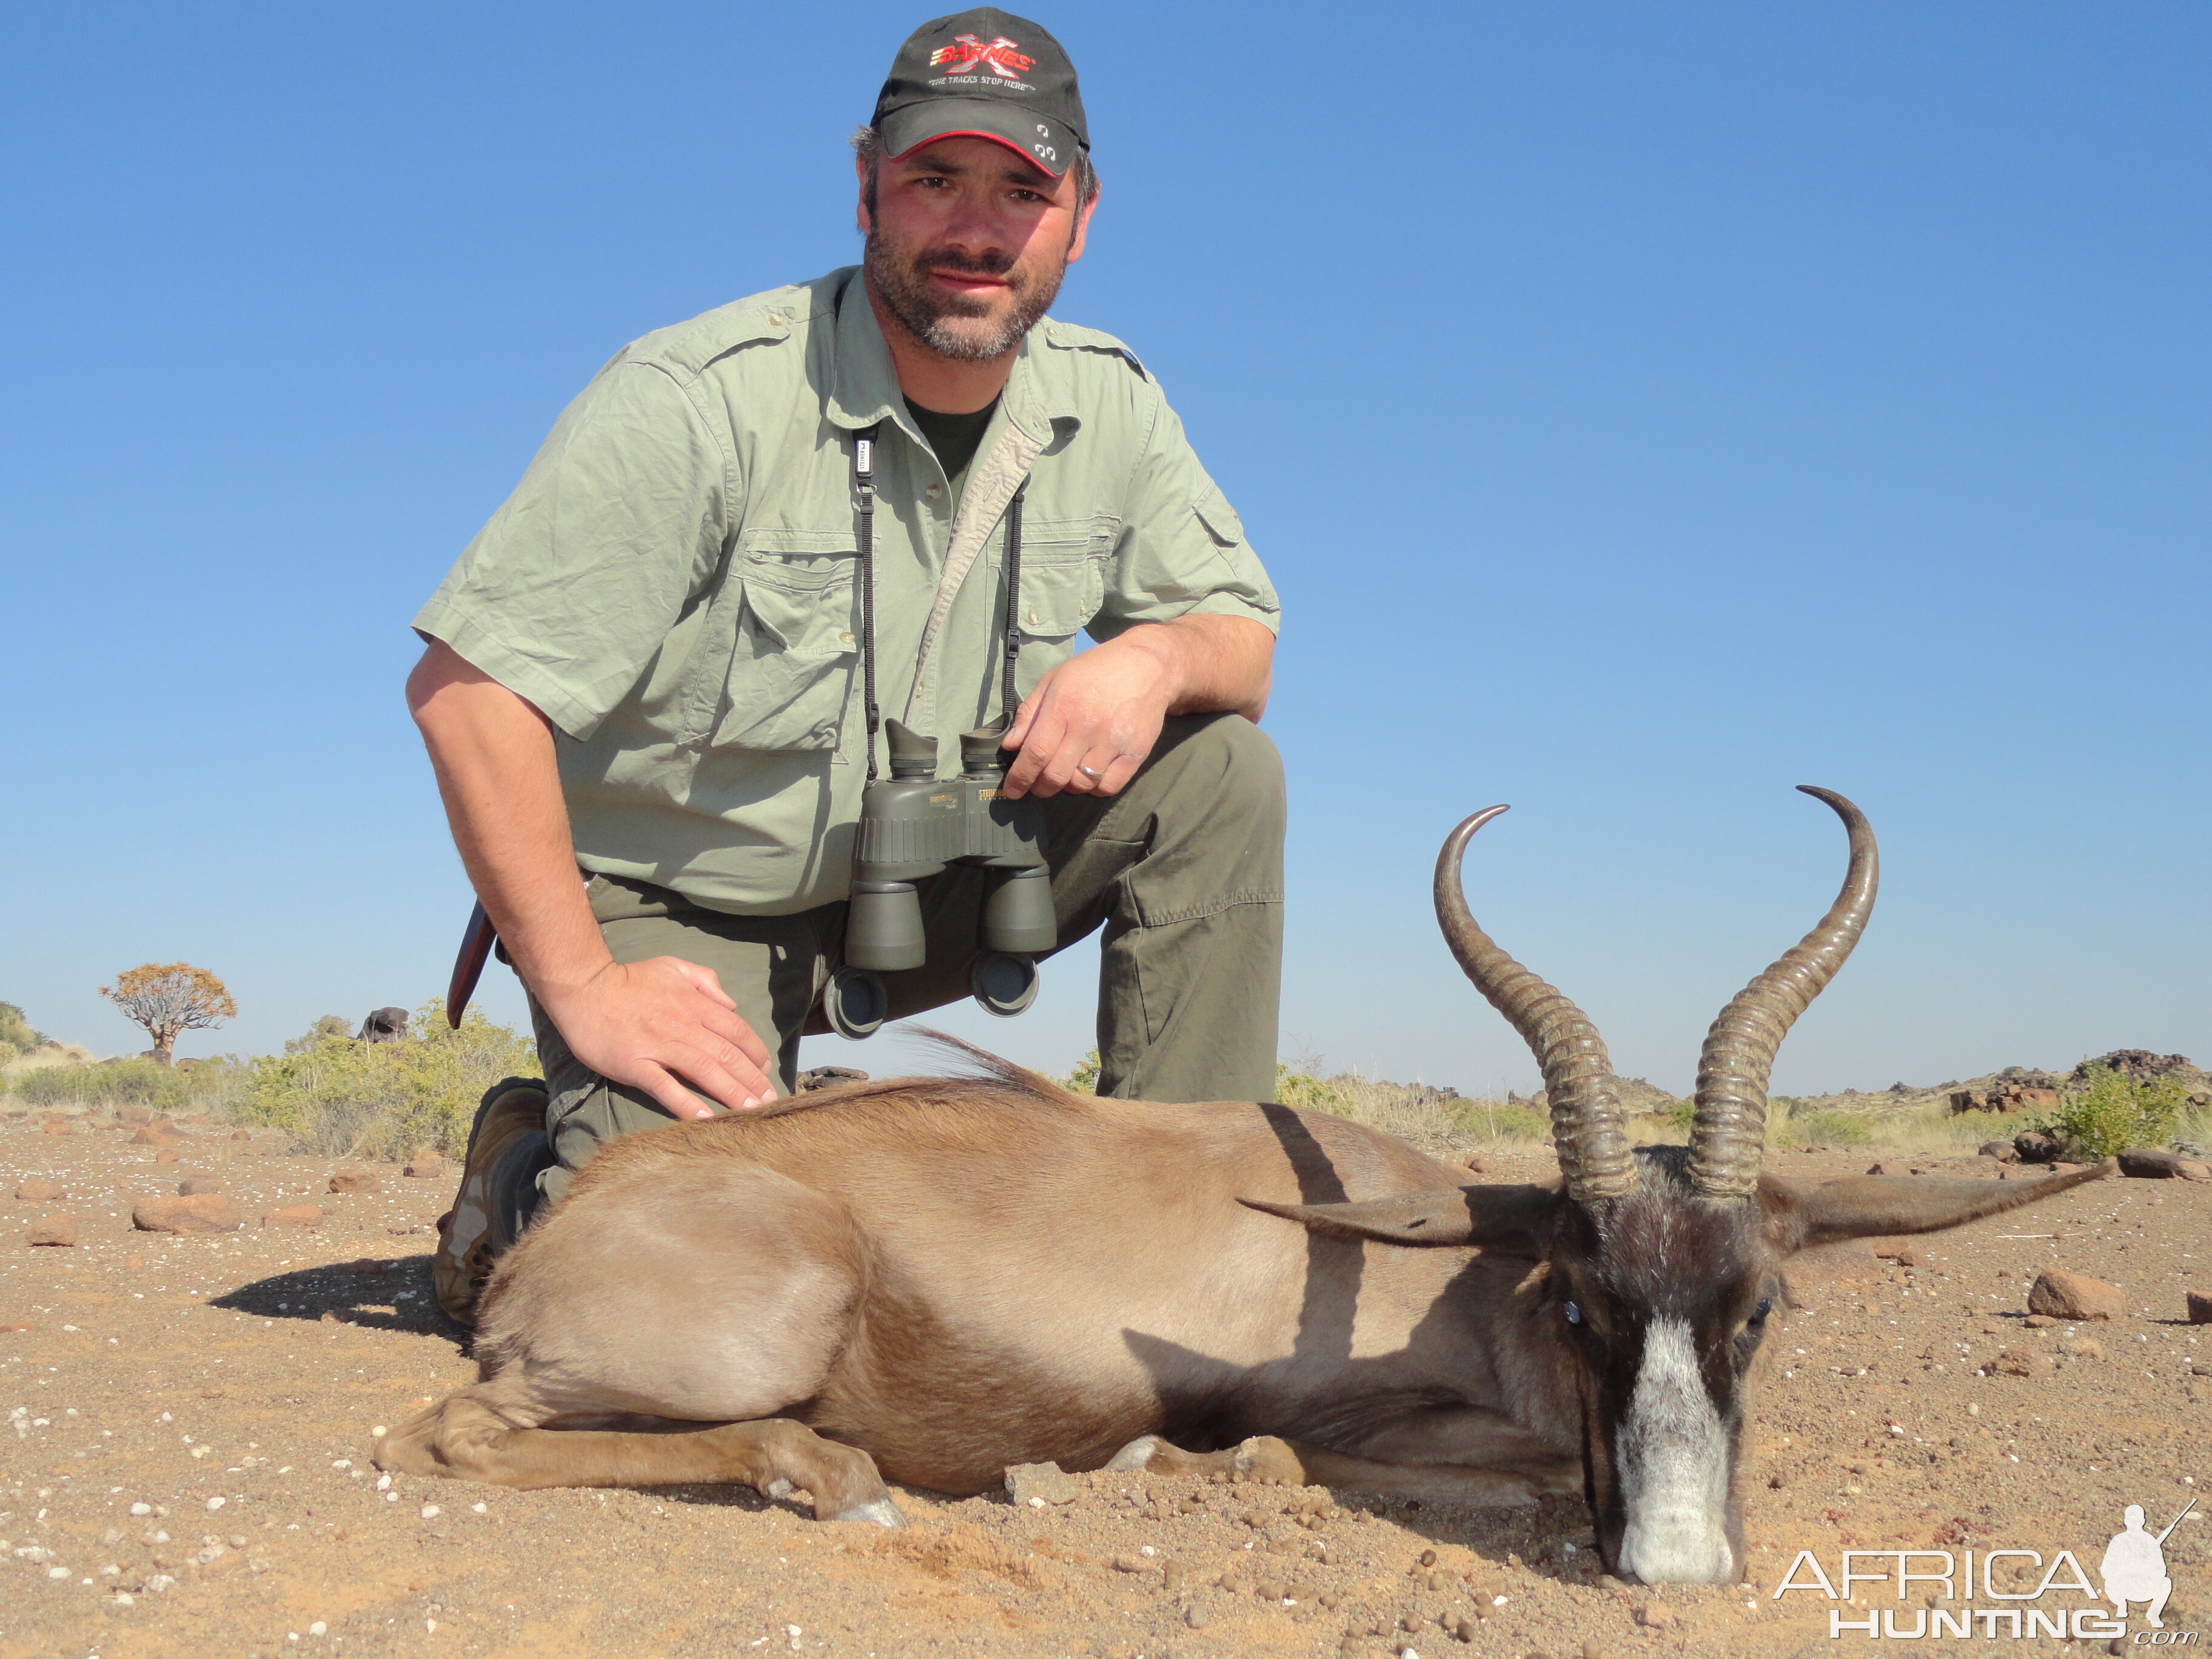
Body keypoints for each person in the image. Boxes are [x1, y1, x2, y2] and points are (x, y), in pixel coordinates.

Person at [406, 8, 1285, 1323]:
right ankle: (528, 1171)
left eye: (1022, 191)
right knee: (680, 1306)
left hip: (936, 892)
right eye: (936, 180)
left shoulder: (1110, 401)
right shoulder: (700, 397)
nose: (977, 231)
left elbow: (1246, 639)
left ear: (1082, 215)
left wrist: (1155, 656)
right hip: (686, 911)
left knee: (1223, 771)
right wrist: (587, 988)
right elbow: (468, 697)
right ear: (866, 180)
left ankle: (1176, 1260)